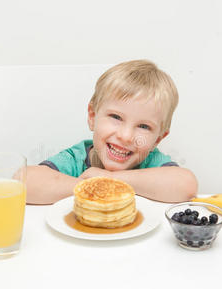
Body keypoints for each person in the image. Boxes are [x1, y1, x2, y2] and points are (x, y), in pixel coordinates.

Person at [26, 60, 198, 204]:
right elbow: (25, 180)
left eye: (144, 127)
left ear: (158, 139)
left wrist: (108, 179)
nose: (126, 136)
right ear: (93, 116)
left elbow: (186, 186)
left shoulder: (151, 162)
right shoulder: (75, 158)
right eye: (116, 117)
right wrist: (91, 186)